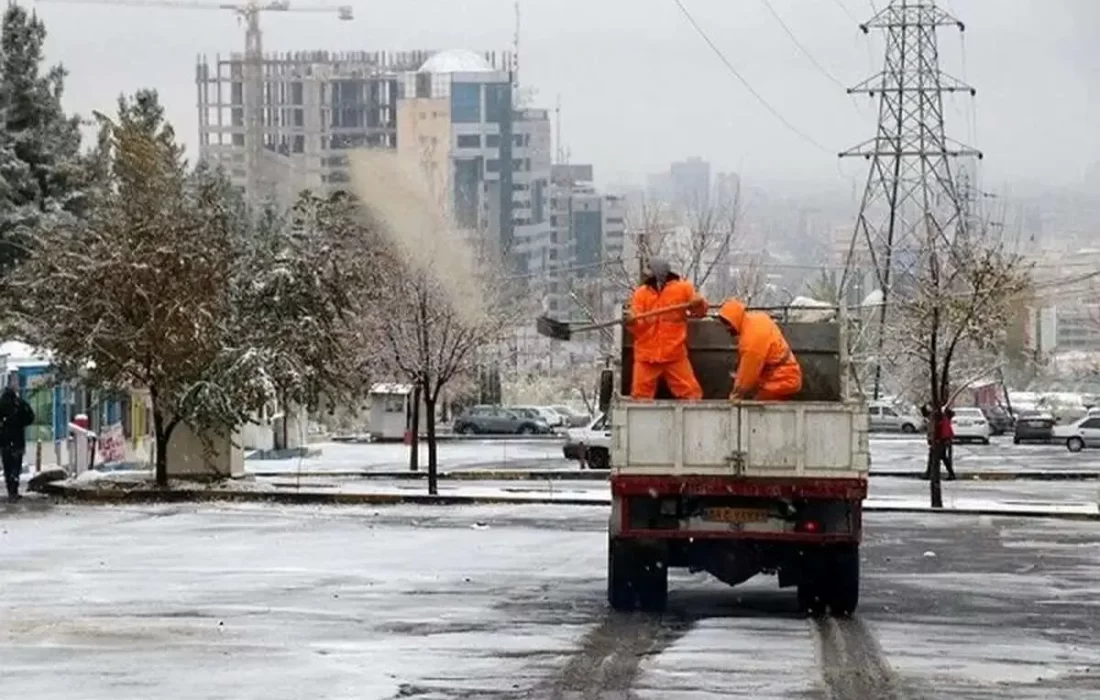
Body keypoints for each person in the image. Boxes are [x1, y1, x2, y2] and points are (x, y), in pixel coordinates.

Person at [628, 257, 708, 399]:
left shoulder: (683, 288)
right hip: (647, 357)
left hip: (674, 354)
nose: (646, 277)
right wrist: (631, 322)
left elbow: (700, 313)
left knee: (692, 395)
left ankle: (694, 420)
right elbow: (638, 328)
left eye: (649, 273)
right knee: (639, 399)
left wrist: (699, 304)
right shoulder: (641, 294)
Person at [716, 299, 803, 401]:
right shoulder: (756, 319)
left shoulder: (751, 340)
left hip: (782, 380)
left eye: (728, 323)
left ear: (735, 319)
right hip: (785, 375)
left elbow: (746, 378)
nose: (726, 328)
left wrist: (735, 397)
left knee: (756, 411)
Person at [0, 384, 35, 502]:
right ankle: (14, 489)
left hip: (4, 442)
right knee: (16, 466)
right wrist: (20, 423)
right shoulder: (19, 404)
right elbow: (30, 417)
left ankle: (10, 489)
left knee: (7, 466)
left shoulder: (1, 404)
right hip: (17, 440)